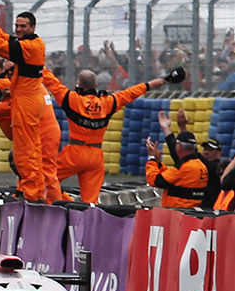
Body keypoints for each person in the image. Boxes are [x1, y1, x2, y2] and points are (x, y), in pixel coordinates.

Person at [41, 67, 166, 203]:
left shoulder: (72, 99)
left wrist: (36, 64)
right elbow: (129, 94)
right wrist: (150, 85)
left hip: (74, 153)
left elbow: (52, 83)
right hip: (96, 156)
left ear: (79, 85)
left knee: (45, 180)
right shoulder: (108, 102)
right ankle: (80, 213)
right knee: (90, 202)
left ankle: (66, 204)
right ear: (95, 86)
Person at [0, 1, 55, 201]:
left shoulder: (28, 46)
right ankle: (37, 192)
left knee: (24, 153)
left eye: (23, 26)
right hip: (29, 101)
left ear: (33, 28)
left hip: (27, 102)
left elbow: (0, 45)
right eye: (17, 26)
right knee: (31, 152)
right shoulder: (30, 43)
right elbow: (5, 38)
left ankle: (32, 194)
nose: (18, 29)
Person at [146, 132, 209, 209]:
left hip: (178, 213)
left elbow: (155, 180)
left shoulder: (184, 166)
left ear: (179, 146)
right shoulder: (200, 165)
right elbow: (170, 177)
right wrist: (158, 163)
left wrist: (151, 159)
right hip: (191, 212)